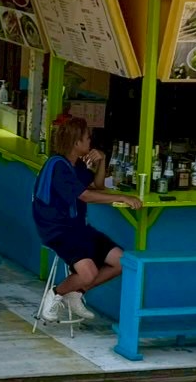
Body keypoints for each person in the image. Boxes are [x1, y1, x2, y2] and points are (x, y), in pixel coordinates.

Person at [32, 116, 140, 322]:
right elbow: (85, 195)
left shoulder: (77, 165)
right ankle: (55, 294)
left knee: (121, 261)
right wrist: (122, 197)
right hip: (58, 231)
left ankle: (76, 293)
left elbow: (98, 185)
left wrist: (102, 161)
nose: (91, 141)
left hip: (79, 228)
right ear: (76, 143)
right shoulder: (58, 166)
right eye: (88, 138)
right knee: (88, 273)